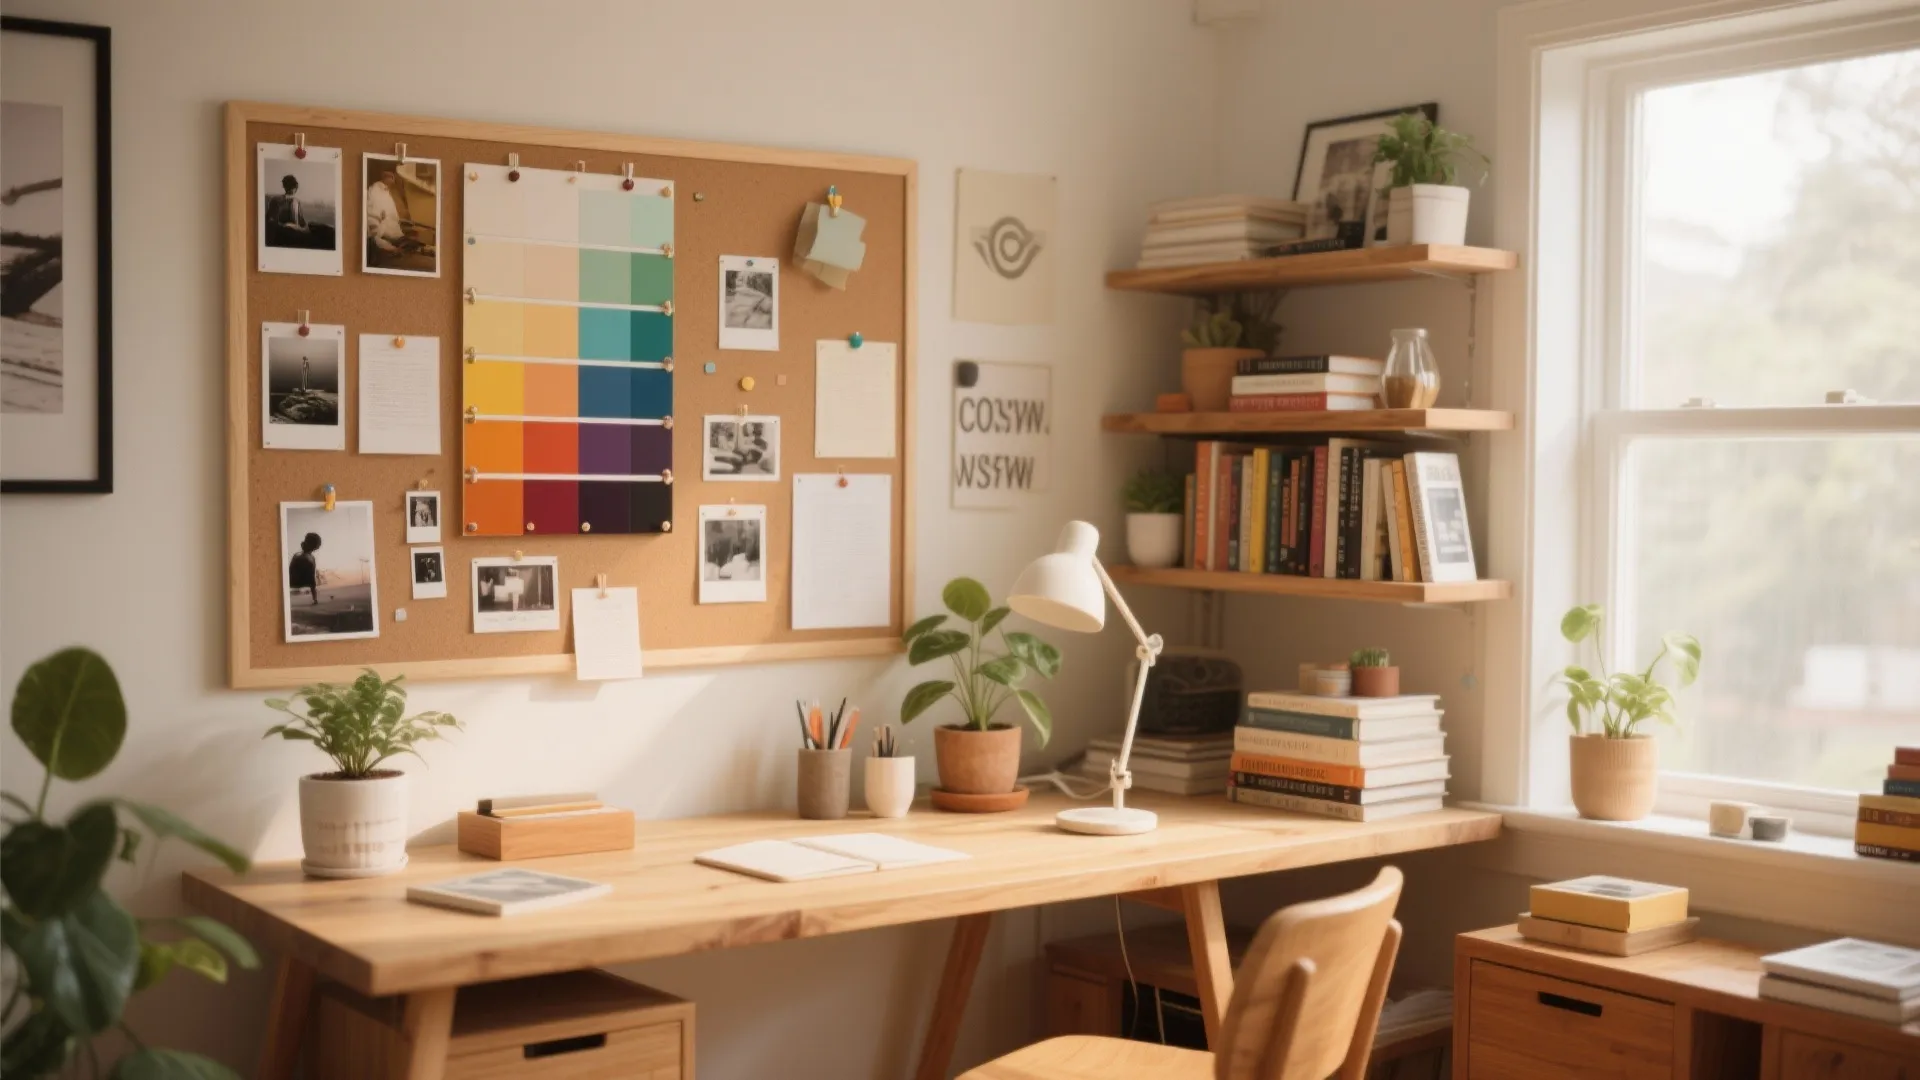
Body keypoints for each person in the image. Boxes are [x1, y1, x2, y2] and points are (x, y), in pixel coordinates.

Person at [366, 167, 405, 258]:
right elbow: (373, 215)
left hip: (393, 236)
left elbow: (392, 215)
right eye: (390, 176)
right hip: (380, 235)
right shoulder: (376, 190)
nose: (393, 179)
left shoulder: (386, 192)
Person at [266, 174, 310, 246]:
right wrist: (286, 226)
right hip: (283, 235)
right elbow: (271, 221)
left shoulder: (296, 202)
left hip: (291, 234)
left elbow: (302, 221)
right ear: (295, 188)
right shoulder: (277, 200)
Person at [289, 532, 321, 606]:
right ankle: (315, 599)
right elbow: (312, 580)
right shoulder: (311, 558)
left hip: (293, 582)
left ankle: (315, 599)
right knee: (312, 583)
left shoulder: (297, 555)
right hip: (300, 582)